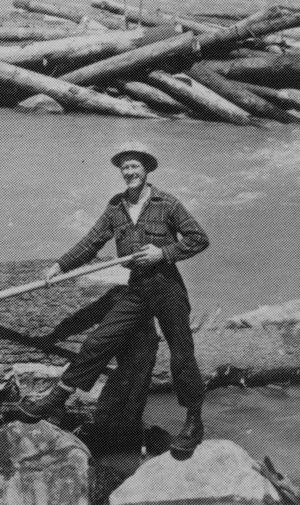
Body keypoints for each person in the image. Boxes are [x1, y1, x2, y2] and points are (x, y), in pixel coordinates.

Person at [19, 142, 210, 457]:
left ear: (146, 170)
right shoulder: (115, 207)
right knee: (98, 341)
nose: (129, 172)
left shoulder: (167, 203)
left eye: (135, 166)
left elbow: (198, 238)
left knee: (181, 355)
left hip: (167, 287)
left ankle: (193, 421)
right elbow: (91, 242)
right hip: (137, 289)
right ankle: (57, 398)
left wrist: (163, 253)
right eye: (125, 167)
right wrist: (60, 266)